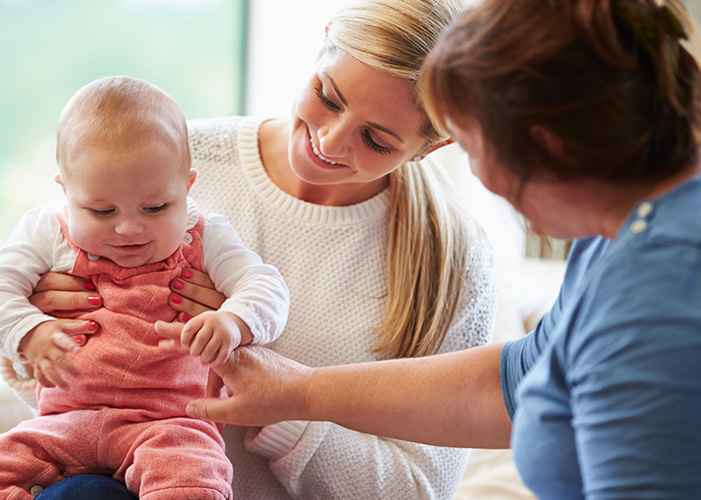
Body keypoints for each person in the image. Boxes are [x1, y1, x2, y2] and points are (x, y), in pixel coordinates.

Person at [167, 0, 701, 498]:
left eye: (469, 143)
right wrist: (297, 393)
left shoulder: (677, 295)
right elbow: (527, 379)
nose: (479, 179)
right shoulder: (675, 194)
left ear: (547, 146)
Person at [25, 1, 499, 498]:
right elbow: (49, 408)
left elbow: (420, 489)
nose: (330, 142)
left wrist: (288, 408)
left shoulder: (455, 259)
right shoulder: (175, 161)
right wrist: (40, 330)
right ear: (323, 43)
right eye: (328, 97)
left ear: (432, 147)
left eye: (376, 140)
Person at [0, 75, 290, 500]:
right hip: (63, 421)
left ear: (187, 188)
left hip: (168, 426)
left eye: (155, 207)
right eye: (101, 210)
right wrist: (29, 329)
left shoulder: (207, 238)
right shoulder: (47, 233)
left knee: (194, 483)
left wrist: (235, 321)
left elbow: (267, 287)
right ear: (66, 192)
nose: (129, 228)